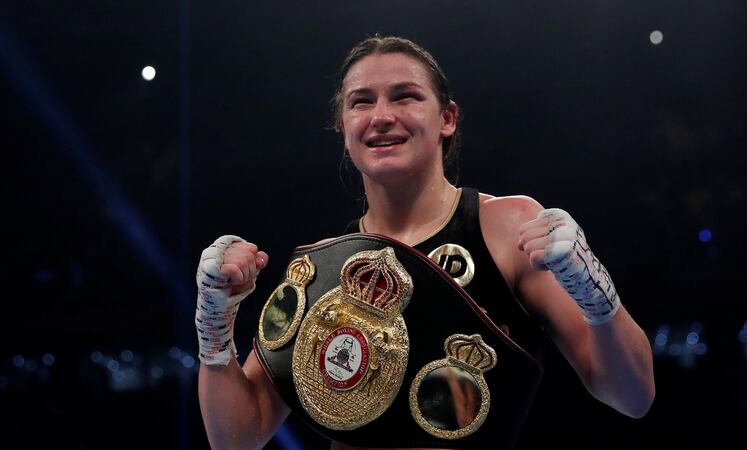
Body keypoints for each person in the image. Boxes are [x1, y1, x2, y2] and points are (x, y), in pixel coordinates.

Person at [195, 35, 655, 450]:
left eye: (405, 96)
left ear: (447, 119)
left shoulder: (509, 227)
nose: (381, 116)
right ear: (344, 128)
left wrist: (594, 290)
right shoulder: (323, 267)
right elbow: (238, 438)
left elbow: (632, 397)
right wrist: (214, 322)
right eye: (361, 102)